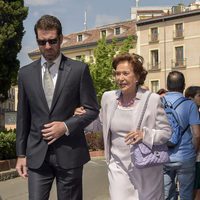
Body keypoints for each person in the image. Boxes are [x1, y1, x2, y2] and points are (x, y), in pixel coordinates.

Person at [15, 15, 99, 200]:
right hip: (37, 155)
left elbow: (92, 109)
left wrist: (66, 126)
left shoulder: (79, 70)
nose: (47, 46)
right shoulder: (25, 74)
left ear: (60, 39)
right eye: (42, 42)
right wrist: (21, 154)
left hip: (70, 153)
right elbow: (23, 117)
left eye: (52, 41)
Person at [75, 53, 171, 200]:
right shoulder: (108, 98)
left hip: (146, 169)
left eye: (126, 73)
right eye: (117, 74)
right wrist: (83, 118)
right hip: (118, 167)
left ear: (137, 76)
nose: (120, 78)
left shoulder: (152, 99)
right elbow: (99, 125)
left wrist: (144, 135)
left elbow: (166, 132)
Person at [163, 72, 200, 200]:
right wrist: (193, 151)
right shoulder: (190, 105)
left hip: (164, 156)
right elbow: (196, 134)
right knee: (186, 194)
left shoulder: (158, 102)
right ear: (184, 85)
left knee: (166, 194)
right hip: (186, 156)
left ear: (166, 85)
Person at [185, 86, 200, 200]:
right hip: (194, 157)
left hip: (193, 156)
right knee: (195, 189)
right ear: (190, 98)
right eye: (199, 96)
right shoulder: (190, 113)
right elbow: (196, 135)